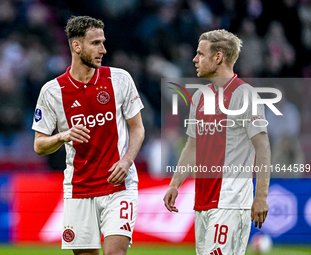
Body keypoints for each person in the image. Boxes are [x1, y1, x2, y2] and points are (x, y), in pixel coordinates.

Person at [32, 16, 145, 255]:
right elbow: (39, 146)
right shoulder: (52, 91)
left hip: (119, 185)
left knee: (115, 252)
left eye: (103, 42)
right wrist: (63, 136)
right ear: (76, 46)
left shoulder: (120, 79)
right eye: (95, 43)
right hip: (79, 188)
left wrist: (126, 161)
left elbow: (138, 128)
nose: (103, 49)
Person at [163, 29, 271, 255]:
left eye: (200, 54)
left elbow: (262, 148)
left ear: (218, 57)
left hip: (231, 202)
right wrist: (175, 184)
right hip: (202, 202)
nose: (195, 59)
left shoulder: (245, 95)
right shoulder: (200, 96)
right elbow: (192, 146)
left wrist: (260, 196)